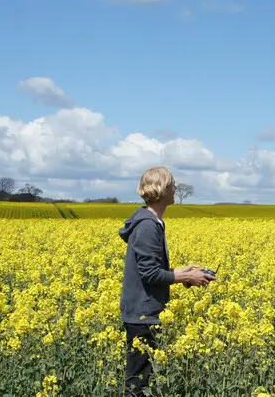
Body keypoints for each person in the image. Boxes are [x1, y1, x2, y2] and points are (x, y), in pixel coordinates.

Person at [119, 166, 215, 396]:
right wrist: (187, 276)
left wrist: (183, 273)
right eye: (173, 185)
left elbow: (152, 270)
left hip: (146, 310)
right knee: (137, 385)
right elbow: (150, 273)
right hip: (142, 314)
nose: (176, 189)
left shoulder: (151, 222)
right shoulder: (147, 226)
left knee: (143, 380)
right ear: (162, 189)